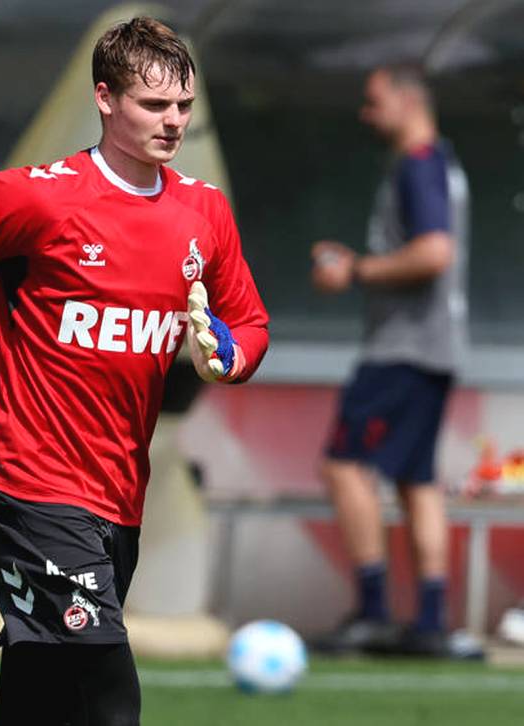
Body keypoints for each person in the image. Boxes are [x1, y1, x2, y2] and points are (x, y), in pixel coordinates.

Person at [0, 18, 268, 725]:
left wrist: (229, 353)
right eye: (154, 105)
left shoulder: (204, 213)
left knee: (39, 700)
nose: (174, 122)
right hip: (27, 487)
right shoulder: (38, 198)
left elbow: (250, 325)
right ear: (104, 98)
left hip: (119, 499)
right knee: (109, 697)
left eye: (183, 106)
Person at [310, 64, 478, 659]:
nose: (366, 112)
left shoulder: (419, 165)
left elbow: (434, 253)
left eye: (374, 100)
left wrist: (354, 269)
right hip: (435, 348)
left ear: (408, 102)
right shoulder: (441, 163)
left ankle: (376, 613)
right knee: (415, 479)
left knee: (344, 464)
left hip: (404, 348)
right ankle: (430, 621)